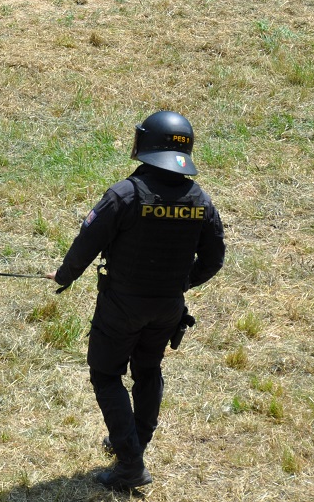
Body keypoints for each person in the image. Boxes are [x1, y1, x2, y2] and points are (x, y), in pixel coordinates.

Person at [46, 110, 224, 492]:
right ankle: (134, 441)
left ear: (145, 144)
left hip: (122, 306)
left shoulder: (125, 195)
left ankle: (130, 463)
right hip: (167, 308)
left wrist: (63, 277)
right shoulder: (200, 201)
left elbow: (86, 245)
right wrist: (179, 284)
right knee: (148, 370)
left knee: (106, 374)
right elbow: (214, 260)